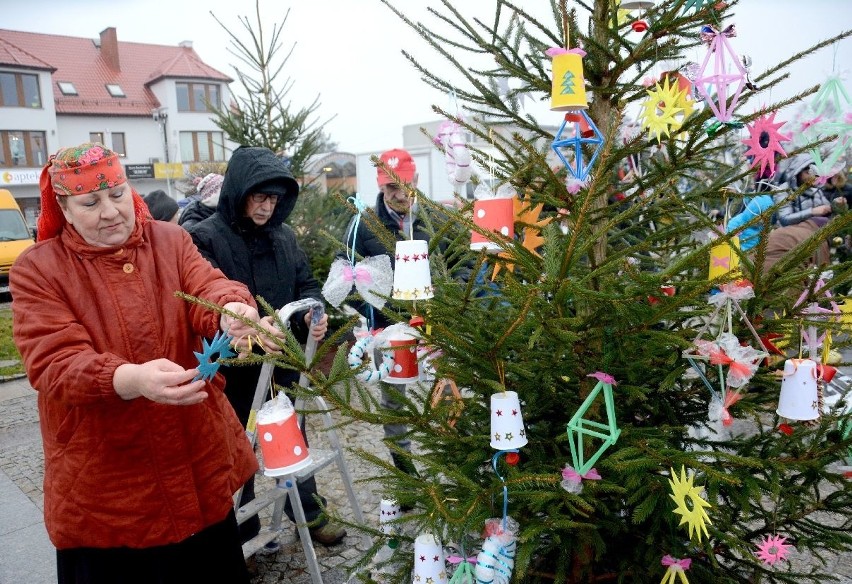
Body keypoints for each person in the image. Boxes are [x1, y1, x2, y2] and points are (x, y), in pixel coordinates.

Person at [10, 142, 278, 584]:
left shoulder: (170, 240)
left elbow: (206, 287)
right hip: (108, 487)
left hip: (195, 462)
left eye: (117, 194)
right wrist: (128, 378)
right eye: (90, 202)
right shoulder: (39, 270)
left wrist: (233, 311)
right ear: (64, 207)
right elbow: (52, 361)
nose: (111, 211)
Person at [188, 146, 346, 547]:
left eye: (274, 198)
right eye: (259, 196)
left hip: (282, 364)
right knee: (236, 448)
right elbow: (199, 301)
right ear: (239, 193)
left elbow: (307, 286)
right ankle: (245, 529)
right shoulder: (204, 238)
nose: (266, 206)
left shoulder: (284, 237)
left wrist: (315, 312)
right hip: (232, 371)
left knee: (292, 437)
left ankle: (309, 516)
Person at [342, 148, 426, 480]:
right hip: (389, 332)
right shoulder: (363, 227)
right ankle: (407, 476)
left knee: (446, 394)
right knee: (395, 404)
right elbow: (344, 275)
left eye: (405, 184)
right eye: (391, 188)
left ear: (415, 178)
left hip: (440, 327)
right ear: (381, 188)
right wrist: (376, 307)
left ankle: (460, 477)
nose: (400, 193)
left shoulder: (436, 219)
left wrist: (452, 302)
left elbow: (463, 267)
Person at [772, 153, 833, 227]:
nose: (813, 176)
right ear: (798, 172)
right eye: (808, 172)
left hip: (814, 233)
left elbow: (827, 209)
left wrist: (836, 205)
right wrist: (812, 212)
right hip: (791, 236)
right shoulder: (784, 191)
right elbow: (784, 219)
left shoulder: (817, 190)